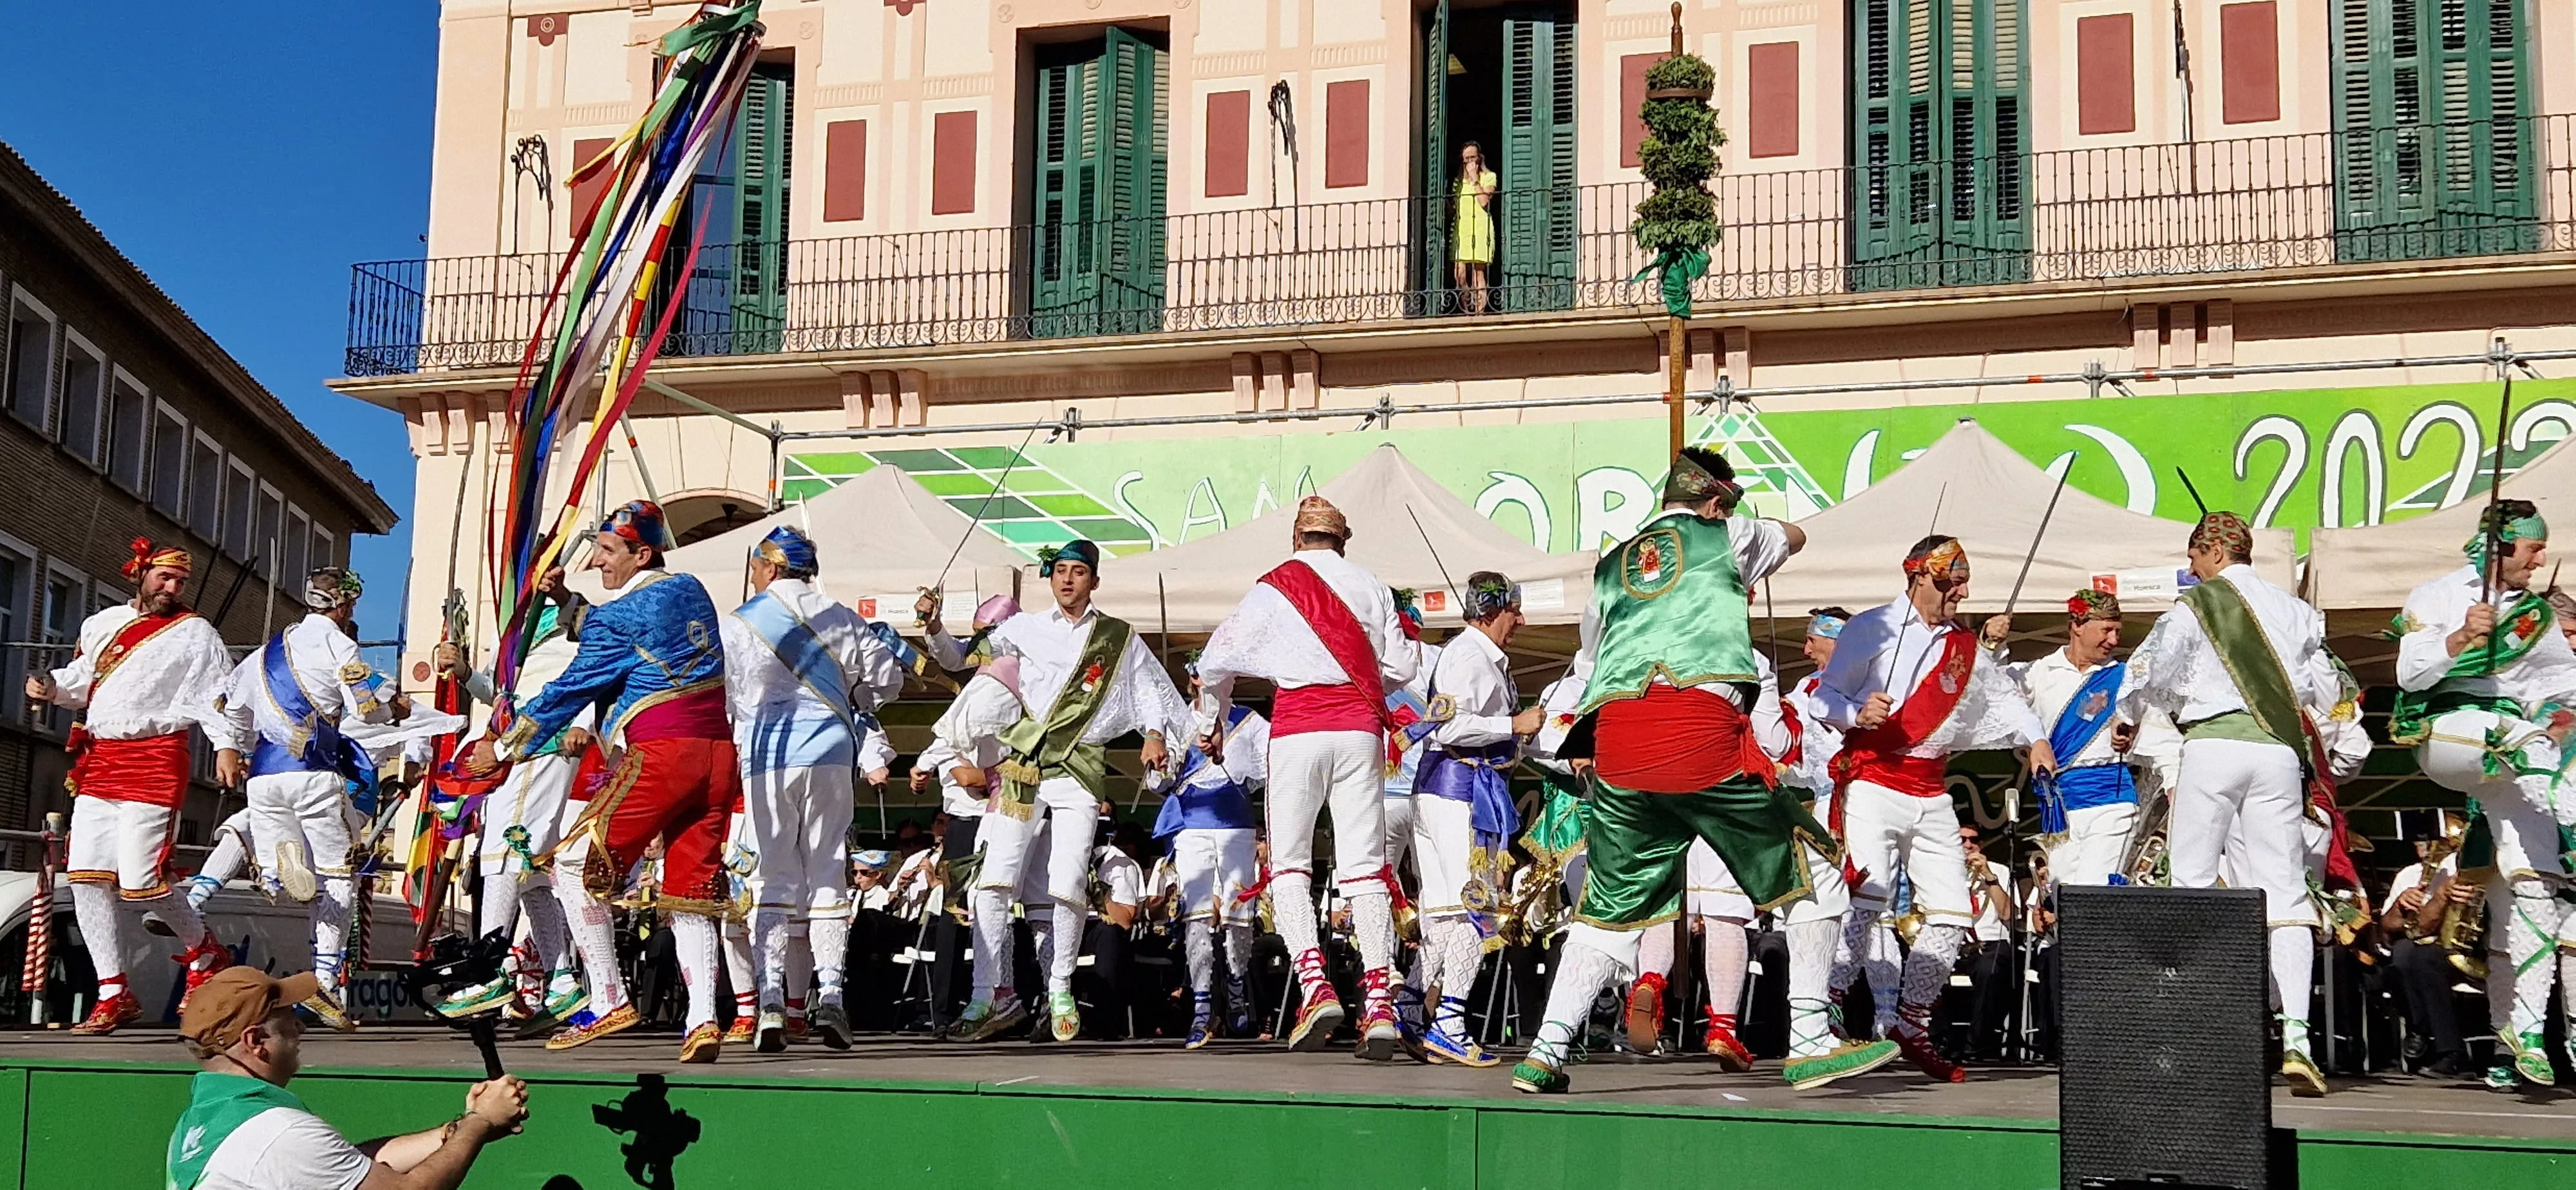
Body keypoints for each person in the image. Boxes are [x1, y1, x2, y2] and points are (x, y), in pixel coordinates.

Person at [1513, 448, 1895, 1095]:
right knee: (1818, 870)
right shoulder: (1728, 534)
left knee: (1607, 910)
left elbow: (1587, 665)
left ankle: (1545, 1052)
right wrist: (1742, 537)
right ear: (1715, 501)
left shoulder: (1609, 568)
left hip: (1619, 748)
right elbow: (1796, 536)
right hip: (1693, 733)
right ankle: (1807, 1038)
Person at [468, 500, 739, 1061]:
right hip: (718, 757)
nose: (595, 561)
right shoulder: (692, 590)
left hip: (663, 754)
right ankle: (703, 1020)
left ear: (642, 552)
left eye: (607, 550)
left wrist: (502, 747)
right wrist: (567, 602)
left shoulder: (620, 617)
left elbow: (570, 689)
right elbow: (631, 629)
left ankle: (608, 995)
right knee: (690, 890)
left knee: (571, 863)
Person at [1814, 535, 2054, 1084]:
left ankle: (1911, 1022)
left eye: (1965, 582)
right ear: (1921, 575)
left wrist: (2036, 739)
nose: (1962, 592)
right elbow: (1821, 699)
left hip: (1930, 787)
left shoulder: (1961, 645)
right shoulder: (1871, 627)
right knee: (1867, 897)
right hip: (1874, 779)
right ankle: (1822, 1012)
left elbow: (2006, 698)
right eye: (1952, 581)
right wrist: (1856, 712)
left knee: (1952, 912)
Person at [2119, 511, 2342, 1097]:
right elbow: (2328, 693)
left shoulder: (2198, 604)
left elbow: (2145, 674)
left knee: (2191, 882)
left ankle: (2195, 1036)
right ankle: (2297, 1035)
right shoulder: (2298, 611)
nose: (2191, 570)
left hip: (2214, 745)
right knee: (2286, 893)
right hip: (2277, 755)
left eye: (2194, 559)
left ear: (2212, 553)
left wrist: (2137, 714)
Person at [1194, 497, 1418, 1057]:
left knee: (1291, 863)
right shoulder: (1372, 585)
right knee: (1366, 870)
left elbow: (1215, 660)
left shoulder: (1275, 586)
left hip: (1297, 729)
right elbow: (1403, 668)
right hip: (1360, 730)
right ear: (1343, 541)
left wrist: (1211, 722)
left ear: (1298, 538)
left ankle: (1316, 986)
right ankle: (1380, 1004)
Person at [952, 540, 1188, 1043]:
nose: (1067, 580)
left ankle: (1059, 985)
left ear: (1094, 581)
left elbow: (1149, 689)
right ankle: (987, 993)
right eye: (1059, 571)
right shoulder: (1024, 628)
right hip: (1025, 765)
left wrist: (1153, 733)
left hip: (1079, 768)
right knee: (995, 879)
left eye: (1078, 572)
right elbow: (967, 657)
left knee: (1067, 880)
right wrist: (931, 628)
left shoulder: (1116, 637)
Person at [2385, 500, 2576, 1088]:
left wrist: (2559, 716)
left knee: (2533, 887)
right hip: (2448, 732)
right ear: (2500, 548)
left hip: (2512, 753)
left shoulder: (2536, 619)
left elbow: (2560, 688)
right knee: (2524, 748)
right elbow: (2408, 674)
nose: (2540, 557)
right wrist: (2460, 636)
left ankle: (2524, 1035)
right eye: (2532, 548)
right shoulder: (2437, 595)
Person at [29, 538, 236, 1034]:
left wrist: (227, 746)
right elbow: (83, 682)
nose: (173, 588)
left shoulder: (196, 634)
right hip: (103, 757)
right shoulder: (101, 624)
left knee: (142, 881)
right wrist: (50, 686)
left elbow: (219, 695)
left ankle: (206, 953)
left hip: (158, 754)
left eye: (180, 582)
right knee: (85, 877)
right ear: (140, 575)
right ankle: (113, 992)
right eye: (164, 578)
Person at [719, 526, 904, 1052]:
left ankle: (772, 997)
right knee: (826, 872)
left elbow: (729, 697)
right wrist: (853, 694)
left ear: (770, 568)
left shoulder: (740, 624)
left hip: (768, 757)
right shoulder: (841, 616)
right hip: (829, 754)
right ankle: (830, 994)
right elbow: (888, 681)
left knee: (774, 875)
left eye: (756, 566)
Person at [213, 566, 403, 1033]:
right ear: (344, 605)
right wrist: (388, 710)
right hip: (313, 774)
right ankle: (324, 981)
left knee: (293, 882)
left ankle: (281, 870)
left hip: (262, 779)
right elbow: (365, 708)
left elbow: (230, 708)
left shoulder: (264, 653)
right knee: (341, 874)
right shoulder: (341, 645)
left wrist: (230, 748)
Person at [167, 967, 529, 1190]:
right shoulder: (279, 1132)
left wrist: (458, 1130)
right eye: (287, 1019)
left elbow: (346, 1165)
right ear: (256, 1042)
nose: (300, 1026)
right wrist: (479, 1124)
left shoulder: (196, 1126)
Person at [428, 567, 590, 1031]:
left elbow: (585, 685)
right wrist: (463, 673)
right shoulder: (522, 632)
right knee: (529, 874)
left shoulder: (575, 624)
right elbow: (506, 697)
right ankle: (560, 982)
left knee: (502, 852)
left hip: (542, 745)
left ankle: (489, 968)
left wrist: (583, 725)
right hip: (512, 747)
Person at [1408, 572, 1541, 1067]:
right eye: (1514, 611)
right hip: (1462, 791)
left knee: (1445, 914)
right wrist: (1513, 723)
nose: (1521, 621)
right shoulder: (1470, 655)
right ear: (1491, 611)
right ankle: (1449, 1021)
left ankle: (1410, 1005)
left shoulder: (1470, 654)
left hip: (1443, 790)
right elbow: (1449, 727)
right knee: (1473, 910)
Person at [1998, 590, 2171, 888]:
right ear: (2077, 625)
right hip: (2059, 808)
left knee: (2095, 894)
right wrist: (1992, 645)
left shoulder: (2126, 679)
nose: (2114, 641)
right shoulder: (2040, 673)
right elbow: (1991, 689)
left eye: (2118, 631)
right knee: (2059, 893)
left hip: (2111, 802)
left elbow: (2165, 742)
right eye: (2106, 630)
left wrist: (2174, 786)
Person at [1147, 654, 1269, 1048]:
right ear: (1194, 681)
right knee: (1197, 915)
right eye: (1202, 675)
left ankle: (1235, 982)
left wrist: (1226, 760)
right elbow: (1157, 782)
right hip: (1192, 826)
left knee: (1239, 914)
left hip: (1235, 824)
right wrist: (1162, 765)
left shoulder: (1249, 722)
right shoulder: (1176, 720)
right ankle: (1201, 1006)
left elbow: (1272, 766)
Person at [1450, 142, 1499, 314]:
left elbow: (1484, 202)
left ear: (1480, 158)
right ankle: (1467, 310)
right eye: (1466, 159)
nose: (1470, 161)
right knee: (1460, 274)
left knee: (1478, 274)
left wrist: (1475, 179)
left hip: (1480, 229)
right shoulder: (1459, 183)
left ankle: (1479, 312)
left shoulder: (1489, 177)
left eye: (1473, 157)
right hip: (1462, 231)